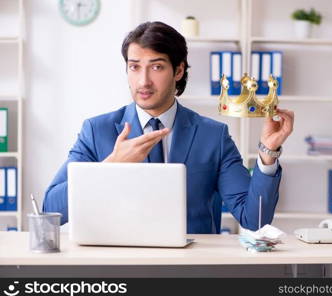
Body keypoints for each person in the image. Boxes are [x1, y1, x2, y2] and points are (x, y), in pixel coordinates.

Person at [43, 21, 294, 234]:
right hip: (119, 271)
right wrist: (109, 167)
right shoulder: (97, 131)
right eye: (134, 67)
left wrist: (267, 153)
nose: (143, 81)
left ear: (178, 70)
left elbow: (255, 220)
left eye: (157, 67)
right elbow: (50, 212)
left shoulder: (212, 136)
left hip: (190, 273)